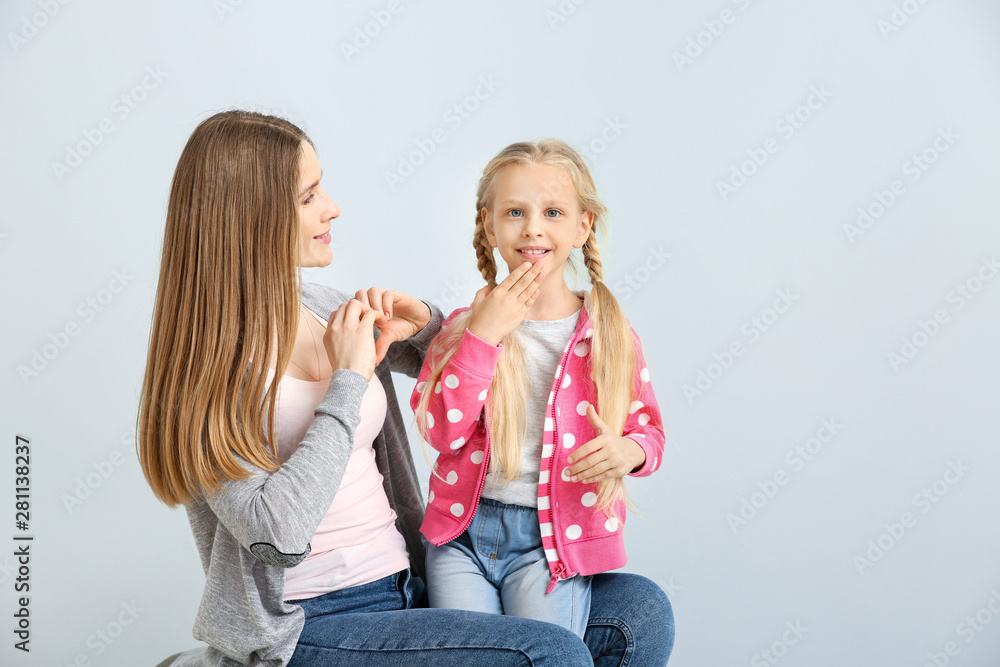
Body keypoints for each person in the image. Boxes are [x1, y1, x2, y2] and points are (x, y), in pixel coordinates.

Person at [139, 111, 674, 666]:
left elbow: (459, 368)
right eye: (308, 196)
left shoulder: (324, 308)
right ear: (249, 217)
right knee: (548, 655)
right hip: (309, 622)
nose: (332, 207)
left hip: (402, 584)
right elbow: (276, 536)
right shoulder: (209, 370)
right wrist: (347, 382)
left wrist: (422, 321)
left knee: (641, 612)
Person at [412, 139, 666, 640]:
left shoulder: (609, 334)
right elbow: (441, 430)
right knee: (473, 654)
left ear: (582, 226)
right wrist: (482, 338)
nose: (532, 228)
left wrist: (628, 451)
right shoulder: (465, 329)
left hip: (550, 543)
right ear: (489, 225)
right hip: (460, 536)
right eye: (514, 212)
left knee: (548, 652)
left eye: (552, 212)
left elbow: (650, 432)